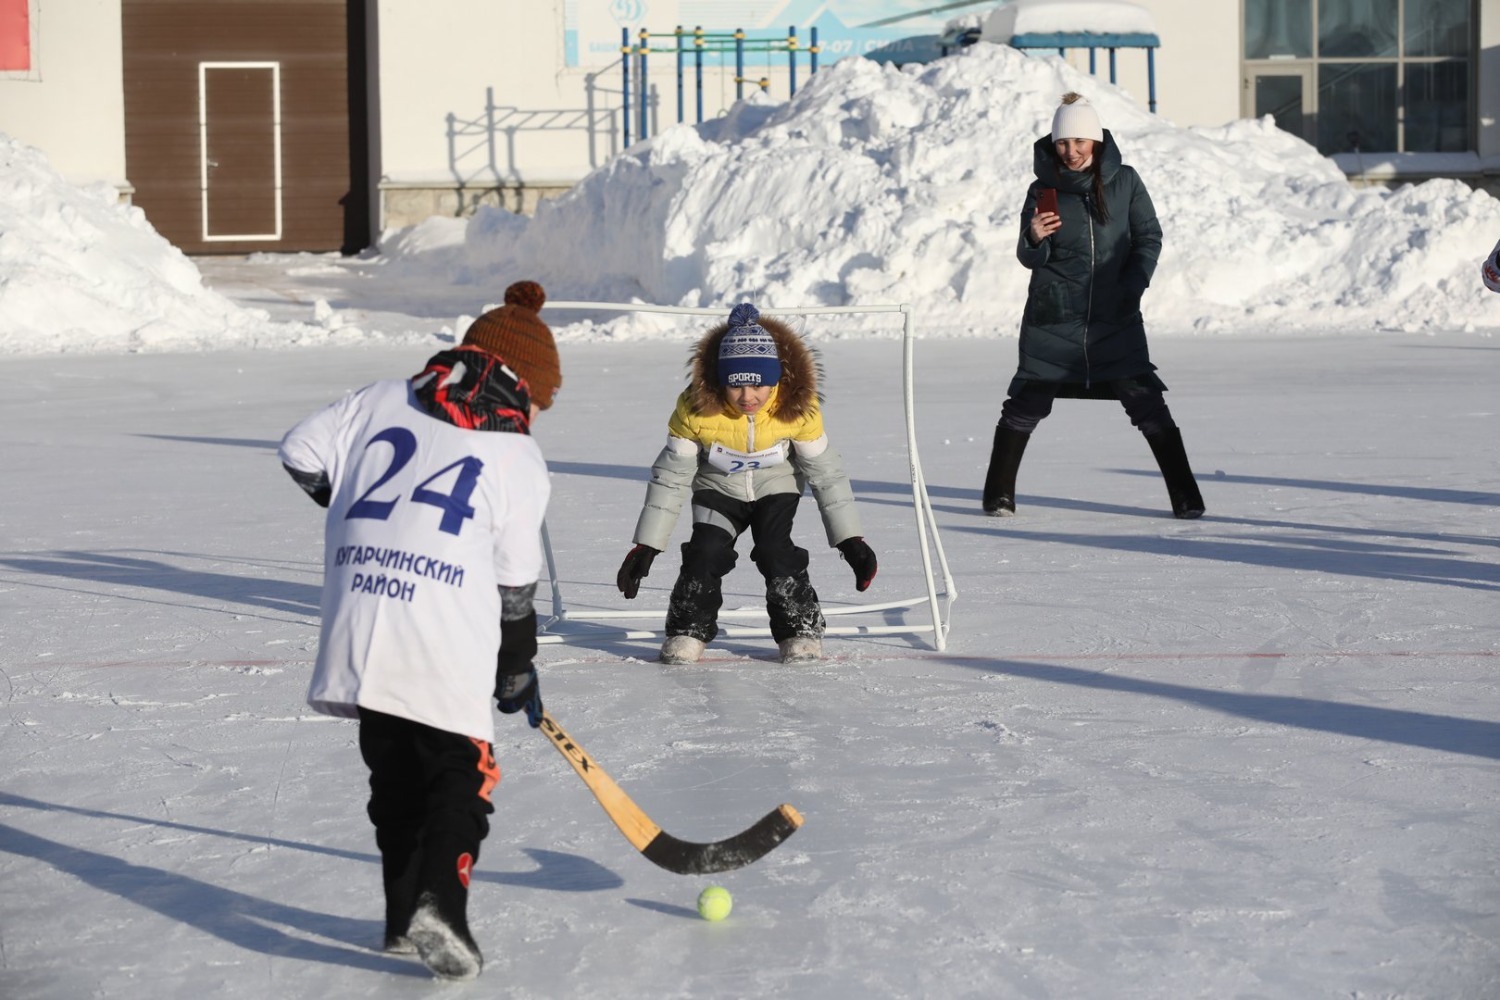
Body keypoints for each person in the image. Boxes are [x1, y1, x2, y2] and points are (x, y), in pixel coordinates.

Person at [276, 280, 562, 982]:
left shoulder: (378, 397)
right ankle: (444, 907)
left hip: (358, 622)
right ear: (526, 386)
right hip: (440, 639)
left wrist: (349, 503)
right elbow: (516, 587)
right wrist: (516, 665)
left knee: (396, 781)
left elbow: (299, 451)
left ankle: (403, 920)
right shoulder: (517, 457)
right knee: (461, 779)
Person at [614, 302, 878, 665]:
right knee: (705, 551)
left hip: (775, 488)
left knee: (774, 550)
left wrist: (851, 539)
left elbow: (826, 474)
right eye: (736, 385)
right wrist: (647, 545)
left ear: (777, 380)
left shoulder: (798, 410)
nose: (748, 397)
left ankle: (799, 629)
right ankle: (687, 629)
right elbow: (672, 476)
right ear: (722, 382)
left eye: (759, 385)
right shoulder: (695, 412)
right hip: (718, 489)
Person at [982, 92, 1205, 520]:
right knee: (1026, 402)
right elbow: (1030, 259)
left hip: (1113, 316)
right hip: (1055, 316)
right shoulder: (1042, 188)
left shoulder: (1126, 182)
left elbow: (1148, 239)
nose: (1071, 152)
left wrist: (1132, 286)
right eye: (1063, 143)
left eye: (1080, 142)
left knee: (1146, 402)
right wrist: (1033, 236)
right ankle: (998, 494)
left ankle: (1186, 496)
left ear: (1097, 140)